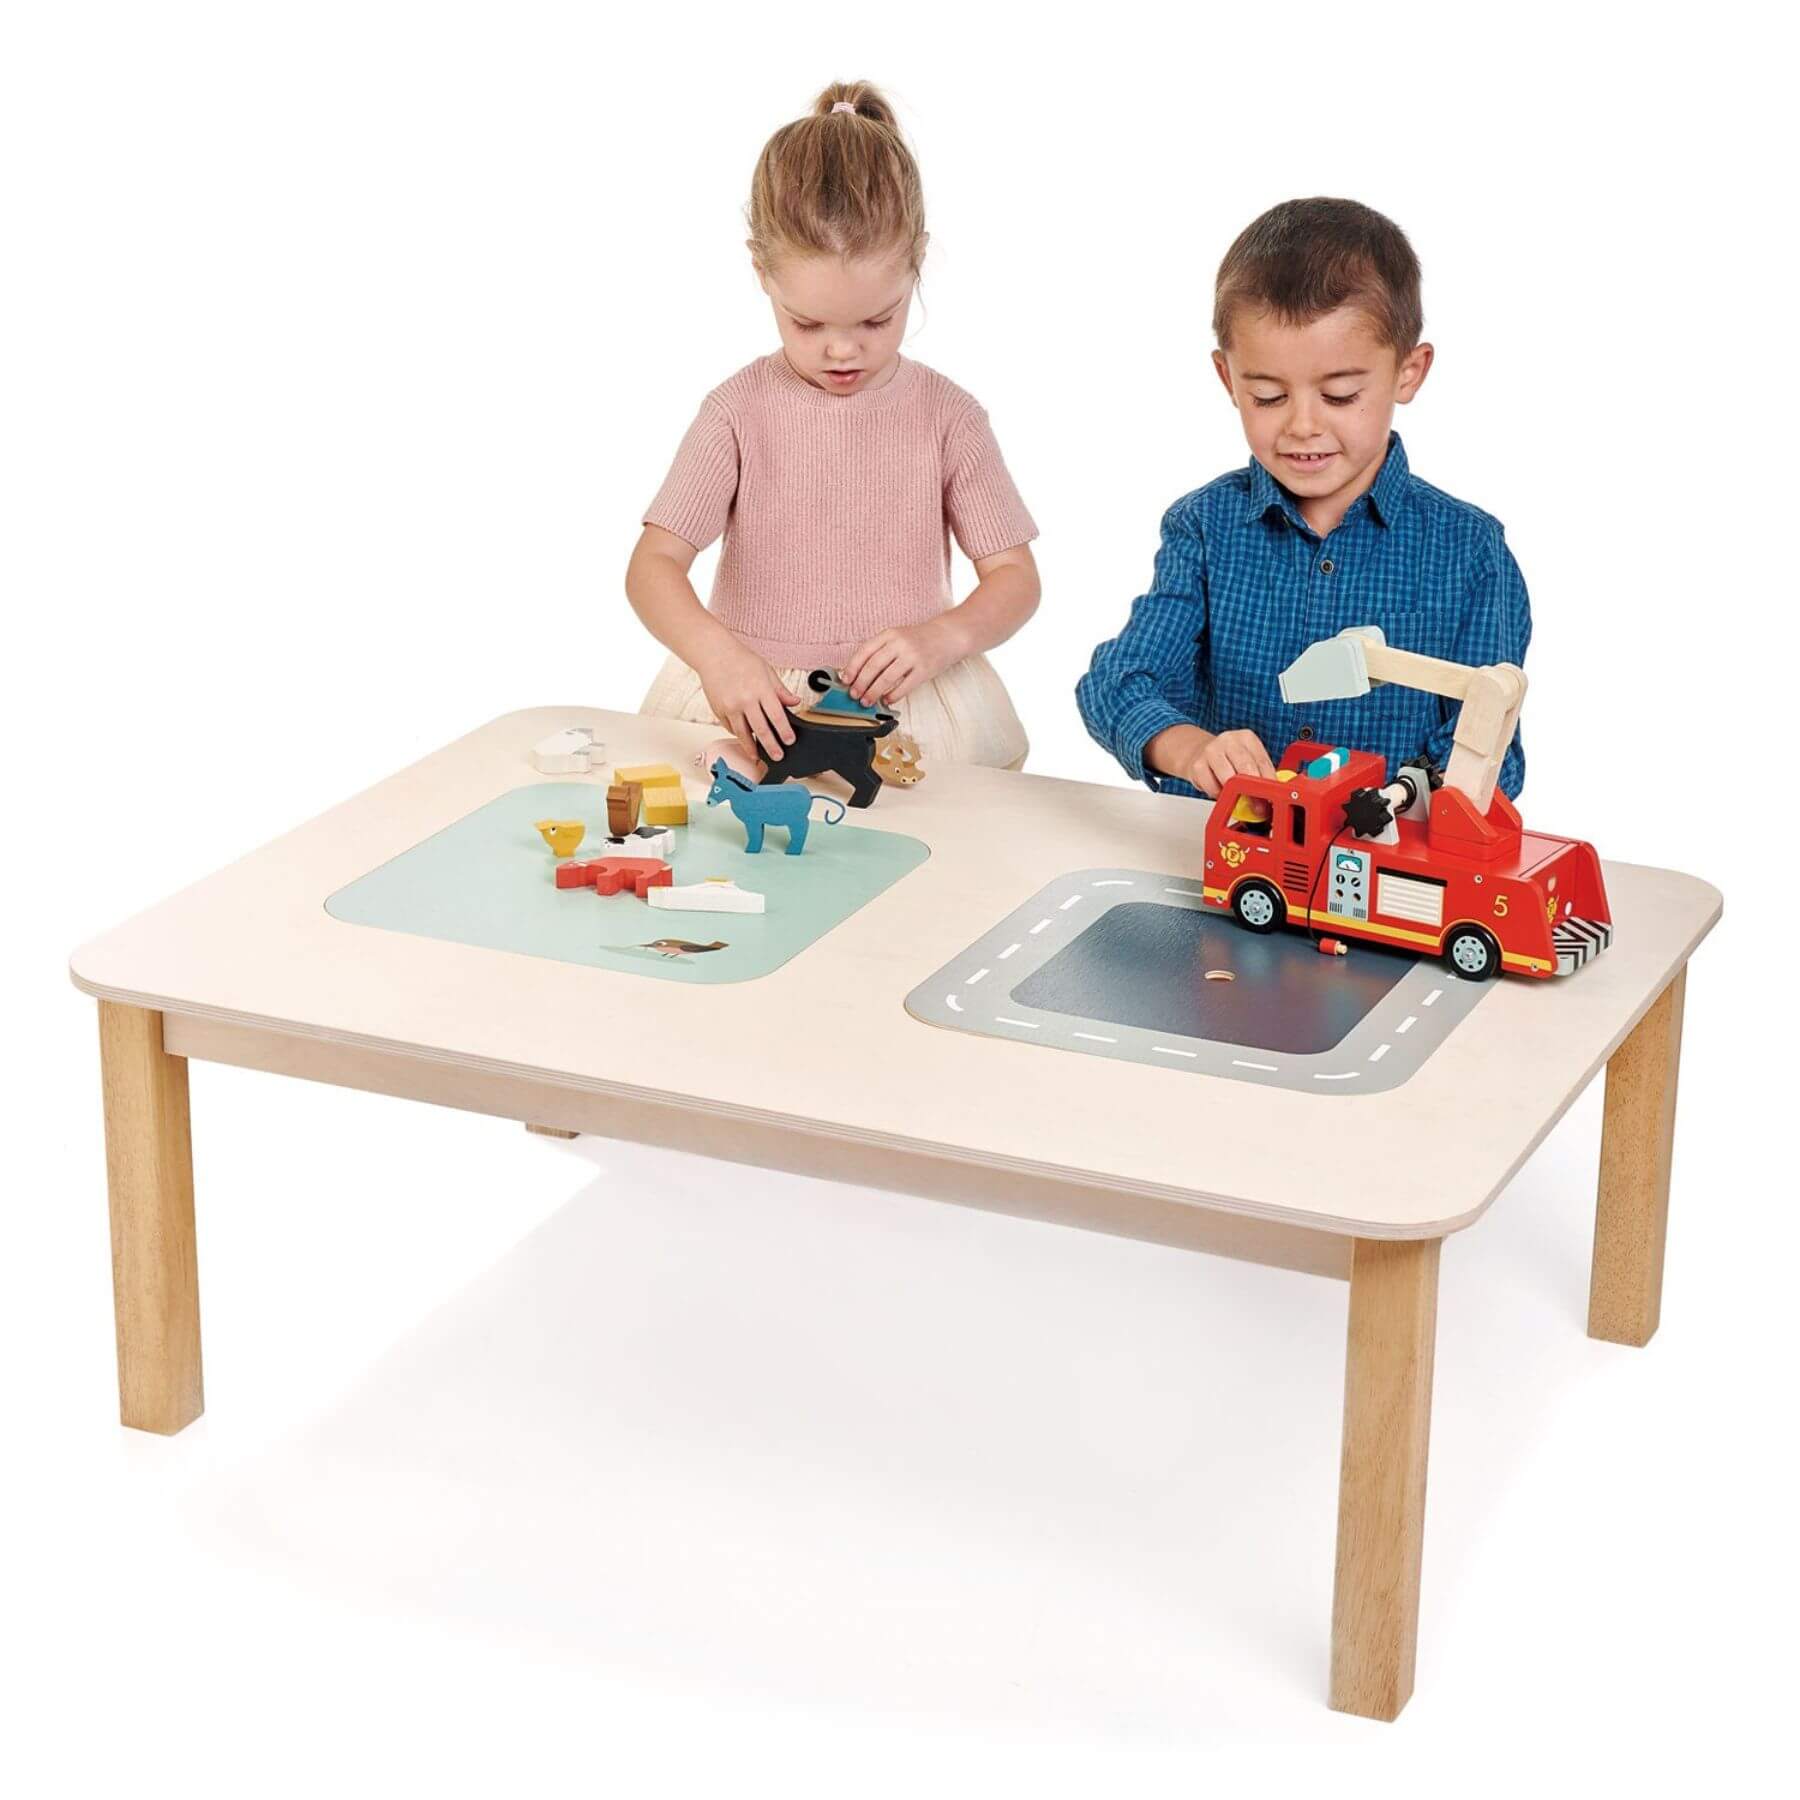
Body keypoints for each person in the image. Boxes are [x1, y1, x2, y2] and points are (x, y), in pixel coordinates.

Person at [629, 81, 1040, 772]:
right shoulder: (736, 411)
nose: (842, 350)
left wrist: (944, 637)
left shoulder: (949, 417)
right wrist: (717, 656)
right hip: (754, 700)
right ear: (761, 271)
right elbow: (653, 566)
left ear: (917, 263)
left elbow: (1015, 577)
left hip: (905, 708)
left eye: (878, 320)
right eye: (808, 323)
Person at [1077, 197, 1530, 801]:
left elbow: (1489, 750)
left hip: (1381, 868)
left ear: (1408, 372)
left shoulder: (1470, 551)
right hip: (1225, 850)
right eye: (1267, 396)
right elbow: (1116, 682)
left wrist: (1401, 802)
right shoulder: (1205, 528)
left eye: (1340, 395)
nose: (1302, 426)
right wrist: (1191, 748)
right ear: (1227, 380)